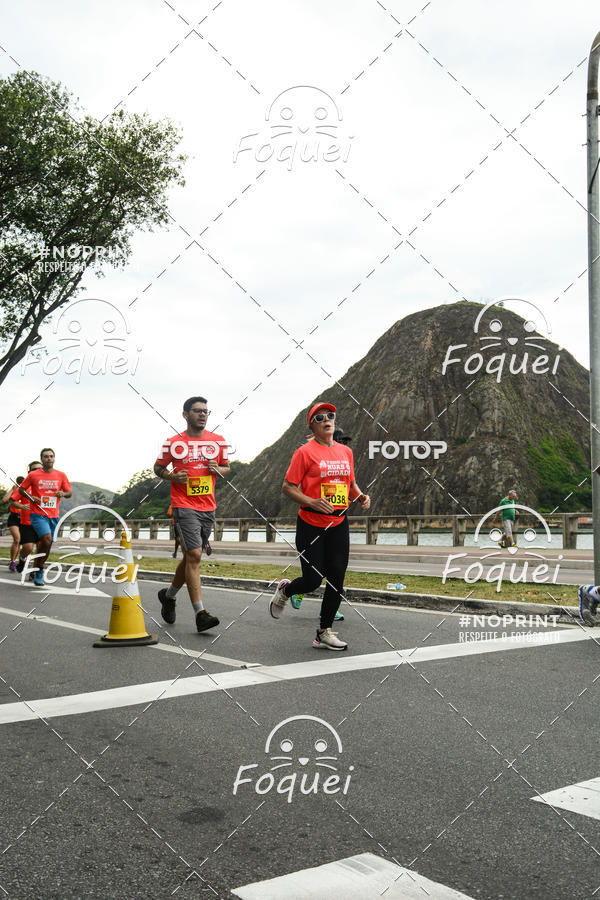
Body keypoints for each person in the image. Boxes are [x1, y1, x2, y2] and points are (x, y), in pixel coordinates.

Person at [269, 402, 371, 650]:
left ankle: (324, 632)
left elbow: (350, 483)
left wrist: (359, 496)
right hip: (310, 524)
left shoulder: (345, 452)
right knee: (313, 580)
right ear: (312, 426)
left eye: (330, 415)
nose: (327, 419)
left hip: (338, 522)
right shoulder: (304, 453)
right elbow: (288, 487)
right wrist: (312, 501)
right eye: (320, 417)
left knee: (337, 578)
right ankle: (286, 589)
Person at [154, 396, 229, 633]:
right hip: (183, 504)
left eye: (206, 411)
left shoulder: (218, 441)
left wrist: (219, 468)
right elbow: (157, 468)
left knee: (189, 558)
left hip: (208, 506)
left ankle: (169, 596)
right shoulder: (173, 443)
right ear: (185, 414)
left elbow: (227, 466)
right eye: (198, 411)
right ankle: (200, 614)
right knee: (195, 554)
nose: (203, 415)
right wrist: (172, 477)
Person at [19, 449, 72, 586]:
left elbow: (69, 492)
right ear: (42, 459)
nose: (49, 458)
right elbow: (21, 490)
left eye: (51, 456)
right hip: (38, 513)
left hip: (54, 515)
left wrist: (63, 493)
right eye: (46, 456)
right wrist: (32, 498)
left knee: (47, 544)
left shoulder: (61, 475)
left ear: (54, 459)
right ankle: (40, 571)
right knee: (46, 539)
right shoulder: (33, 475)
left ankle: (38, 568)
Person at [12, 461, 42, 573]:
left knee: (40, 550)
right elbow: (13, 501)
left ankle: (35, 573)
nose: (37, 471)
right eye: (34, 469)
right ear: (29, 472)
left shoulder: (46, 486)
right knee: (28, 548)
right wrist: (22, 506)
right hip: (27, 523)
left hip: (42, 522)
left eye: (39, 469)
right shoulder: (25, 486)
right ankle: (22, 559)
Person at [3, 476, 24, 571]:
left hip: (24, 518)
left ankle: (17, 560)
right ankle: (12, 562)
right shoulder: (14, 490)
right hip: (14, 518)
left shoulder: (25, 491)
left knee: (20, 542)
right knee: (17, 539)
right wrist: (12, 489)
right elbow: (5, 499)